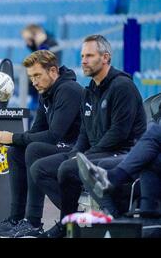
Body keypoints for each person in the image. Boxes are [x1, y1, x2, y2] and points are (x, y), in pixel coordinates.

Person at [31, 35, 147, 238]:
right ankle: (76, 220)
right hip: (97, 152)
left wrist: (84, 157)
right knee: (40, 168)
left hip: (122, 153)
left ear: (105, 58)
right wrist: (76, 153)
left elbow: (119, 133)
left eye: (89, 55)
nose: (83, 60)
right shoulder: (88, 91)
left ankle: (71, 225)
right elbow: (85, 132)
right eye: (82, 55)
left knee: (68, 168)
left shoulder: (122, 86)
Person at [0, 50, 83, 238]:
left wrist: (11, 137)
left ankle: (33, 223)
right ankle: (16, 219)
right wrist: (10, 140)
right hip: (61, 146)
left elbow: (53, 136)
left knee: (34, 149)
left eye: (37, 75)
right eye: (31, 77)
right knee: (16, 151)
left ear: (53, 71)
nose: (34, 82)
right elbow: (36, 131)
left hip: (77, 147)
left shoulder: (69, 90)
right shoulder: (46, 92)